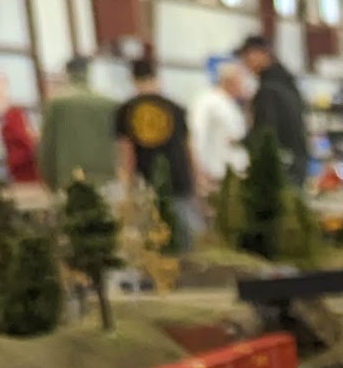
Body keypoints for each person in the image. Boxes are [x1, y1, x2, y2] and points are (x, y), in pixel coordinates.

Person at [113, 55, 191, 252]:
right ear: (156, 77)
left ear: (133, 79)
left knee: (153, 236)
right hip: (179, 177)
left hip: (147, 180)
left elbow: (126, 152)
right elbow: (188, 147)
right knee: (184, 234)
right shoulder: (176, 107)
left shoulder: (126, 110)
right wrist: (196, 178)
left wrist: (126, 185)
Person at [39, 55, 117, 193]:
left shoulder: (57, 103)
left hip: (68, 178)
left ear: (68, 72)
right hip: (107, 178)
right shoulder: (109, 104)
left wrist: (49, 181)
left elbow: (47, 145)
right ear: (88, 71)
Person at [237, 34, 308, 177]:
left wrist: (243, 142)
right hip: (296, 165)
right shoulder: (287, 83)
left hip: (278, 171)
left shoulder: (268, 91)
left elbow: (266, 134)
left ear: (261, 54)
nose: (244, 63)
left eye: (246, 56)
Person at [190, 60, 250, 197]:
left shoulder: (232, 104)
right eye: (241, 80)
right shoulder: (207, 101)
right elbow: (198, 135)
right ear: (230, 81)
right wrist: (199, 170)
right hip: (216, 173)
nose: (244, 85)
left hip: (237, 172)